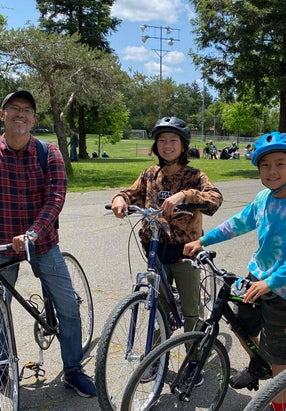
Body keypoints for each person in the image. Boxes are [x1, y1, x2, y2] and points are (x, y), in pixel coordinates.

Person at [0, 90, 96, 398]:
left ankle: (73, 370)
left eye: (27, 110)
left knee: (68, 307)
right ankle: (1, 370)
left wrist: (33, 232)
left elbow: (55, 199)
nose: (21, 114)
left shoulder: (49, 152)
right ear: (1, 115)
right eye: (14, 108)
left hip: (42, 243)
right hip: (0, 245)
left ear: (34, 119)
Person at [184, 131, 286, 410]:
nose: (272, 171)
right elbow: (237, 223)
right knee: (242, 326)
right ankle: (259, 364)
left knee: (281, 357)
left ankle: (279, 404)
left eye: (280, 164)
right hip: (257, 276)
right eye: (265, 165)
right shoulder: (262, 199)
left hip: (284, 287)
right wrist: (202, 240)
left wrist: (270, 283)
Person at [110, 116, 223, 383]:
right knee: (157, 306)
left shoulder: (194, 175)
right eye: (162, 140)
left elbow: (215, 198)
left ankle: (194, 362)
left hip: (185, 252)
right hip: (155, 250)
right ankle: (155, 359)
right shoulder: (151, 174)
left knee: (191, 311)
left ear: (183, 146)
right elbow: (130, 193)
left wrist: (186, 195)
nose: (167, 145)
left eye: (173, 140)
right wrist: (118, 199)